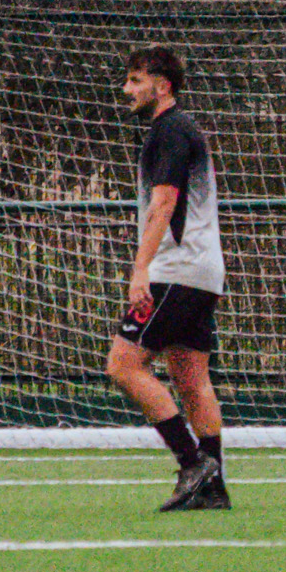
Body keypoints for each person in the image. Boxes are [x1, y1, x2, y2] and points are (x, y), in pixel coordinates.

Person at [105, 46, 229, 512]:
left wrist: (141, 270)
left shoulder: (170, 130)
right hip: (202, 270)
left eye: (136, 80)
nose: (127, 90)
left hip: (175, 271)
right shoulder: (180, 128)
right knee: (191, 376)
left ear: (163, 85)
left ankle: (192, 463)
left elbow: (164, 204)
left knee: (123, 364)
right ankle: (212, 488)